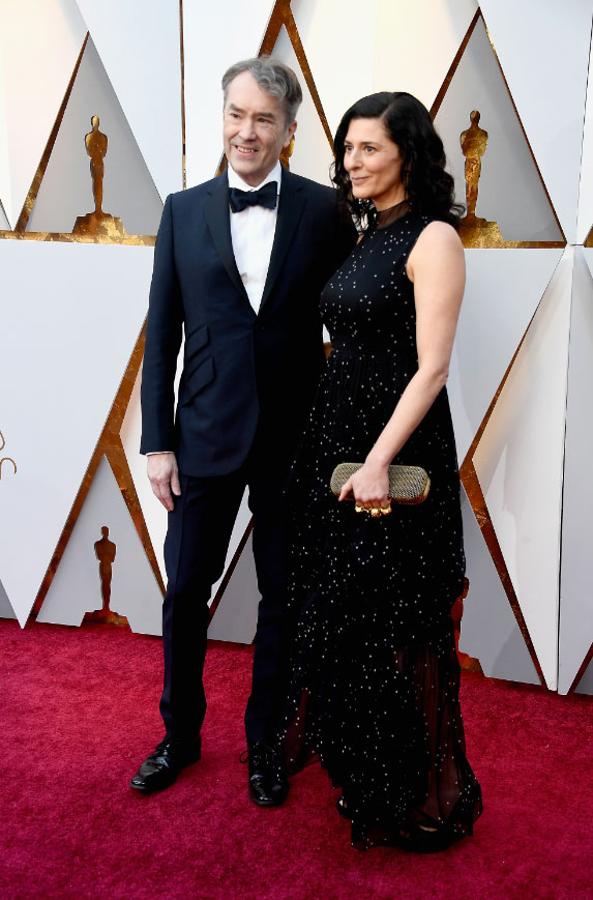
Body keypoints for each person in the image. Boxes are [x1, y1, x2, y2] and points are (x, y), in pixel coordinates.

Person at [131, 57, 355, 804]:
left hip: (295, 440)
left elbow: (351, 327)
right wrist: (156, 442)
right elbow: (161, 333)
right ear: (220, 116)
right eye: (235, 114)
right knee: (185, 590)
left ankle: (266, 747)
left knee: (282, 600)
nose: (244, 131)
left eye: (262, 118)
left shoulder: (326, 213)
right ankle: (180, 736)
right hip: (201, 435)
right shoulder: (182, 209)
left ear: (289, 131)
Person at [275, 91, 482, 850]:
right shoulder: (365, 235)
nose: (352, 162)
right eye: (347, 149)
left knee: (401, 624)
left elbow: (430, 370)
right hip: (341, 445)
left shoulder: (434, 239)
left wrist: (376, 464)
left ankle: (420, 796)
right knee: (348, 625)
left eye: (368, 148)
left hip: (391, 457)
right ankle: (372, 778)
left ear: (407, 153)